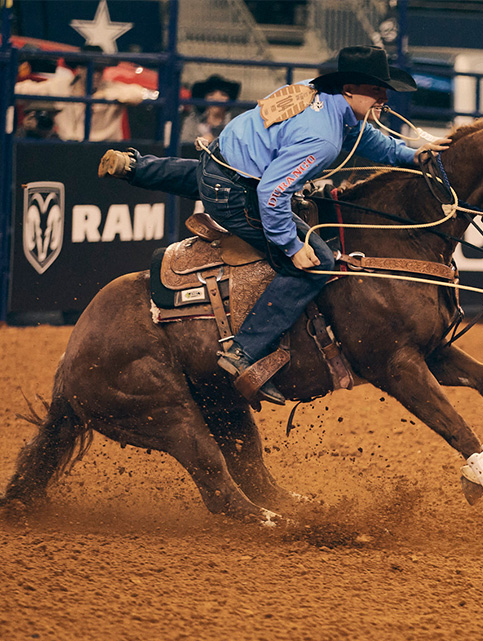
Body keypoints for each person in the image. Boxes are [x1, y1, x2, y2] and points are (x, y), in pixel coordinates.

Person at [97, 45, 451, 405]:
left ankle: (137, 167)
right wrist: (293, 247)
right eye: (377, 89)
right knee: (321, 261)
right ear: (349, 89)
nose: (385, 97)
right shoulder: (323, 139)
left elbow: (365, 138)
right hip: (239, 191)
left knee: (206, 175)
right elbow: (271, 193)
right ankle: (244, 353)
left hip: (221, 163)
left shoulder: (318, 92)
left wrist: (411, 154)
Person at [14, 45, 157, 141]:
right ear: (79, 69)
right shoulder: (60, 86)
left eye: (100, 70)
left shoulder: (112, 88)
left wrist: (104, 96)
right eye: (92, 69)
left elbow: (138, 93)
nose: (96, 75)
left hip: (105, 151)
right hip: (67, 150)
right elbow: (23, 90)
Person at [180, 73, 241, 143]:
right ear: (204, 98)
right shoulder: (193, 121)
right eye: (211, 95)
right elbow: (184, 145)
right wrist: (198, 143)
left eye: (223, 95)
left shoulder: (235, 122)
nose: (217, 99)